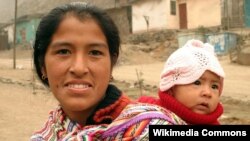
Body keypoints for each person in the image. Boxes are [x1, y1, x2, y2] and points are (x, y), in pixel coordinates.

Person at [30, 2, 186, 140]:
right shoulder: (48, 133)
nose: (79, 68)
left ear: (112, 63)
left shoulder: (153, 127)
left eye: (95, 52)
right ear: (42, 64)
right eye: (63, 51)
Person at [138, 39, 225, 125]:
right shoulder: (147, 111)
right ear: (171, 87)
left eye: (214, 86)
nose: (208, 93)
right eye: (197, 83)